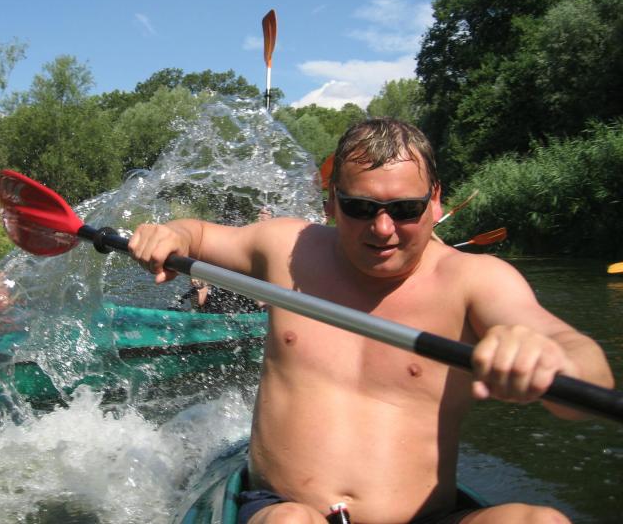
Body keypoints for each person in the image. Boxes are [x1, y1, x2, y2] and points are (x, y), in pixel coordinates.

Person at [129, 118, 614, 524]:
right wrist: (170, 234)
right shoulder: (286, 246)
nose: (383, 229)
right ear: (331, 202)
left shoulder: (477, 280)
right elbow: (196, 235)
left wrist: (546, 358)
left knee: (541, 521)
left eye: (405, 210)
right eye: (361, 208)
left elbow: (583, 369)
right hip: (281, 507)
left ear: (435, 201)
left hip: (429, 517)